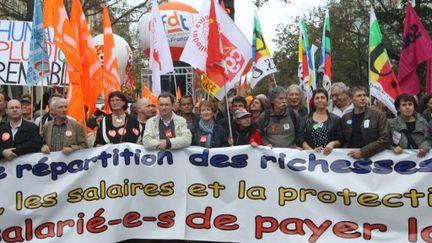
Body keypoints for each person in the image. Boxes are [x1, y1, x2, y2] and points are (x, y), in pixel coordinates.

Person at [341, 86, 389, 159]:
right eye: (359, 96)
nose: (363, 98)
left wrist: (363, 152)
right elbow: (342, 140)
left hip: (372, 158)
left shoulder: (378, 115)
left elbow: (385, 139)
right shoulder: (345, 118)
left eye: (364, 95)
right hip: (350, 158)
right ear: (351, 99)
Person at [298, 88, 342, 155]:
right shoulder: (305, 120)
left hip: (330, 158)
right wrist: (312, 151)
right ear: (313, 101)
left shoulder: (336, 119)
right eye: (317, 98)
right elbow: (300, 139)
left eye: (322, 97)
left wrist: (332, 143)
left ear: (327, 100)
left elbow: (341, 140)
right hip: (311, 158)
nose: (320, 100)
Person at [389, 93, 431, 158]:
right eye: (404, 105)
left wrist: (424, 147)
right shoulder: (390, 123)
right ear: (398, 109)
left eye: (410, 104)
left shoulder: (423, 122)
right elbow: (385, 141)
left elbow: (429, 139)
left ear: (414, 106)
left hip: (420, 161)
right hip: (400, 162)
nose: (407, 107)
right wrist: (393, 148)